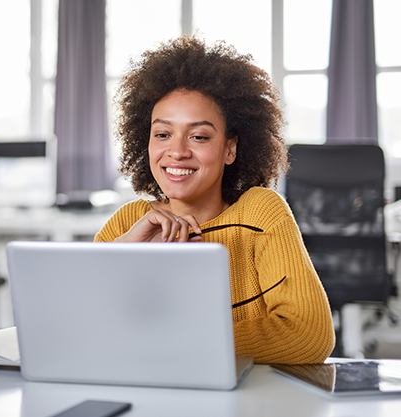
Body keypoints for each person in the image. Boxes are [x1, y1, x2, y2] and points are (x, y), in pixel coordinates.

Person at [95, 36, 335, 364]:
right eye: (162, 134)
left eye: (199, 136)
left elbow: (308, 334)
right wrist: (120, 258)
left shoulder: (261, 214)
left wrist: (173, 341)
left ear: (230, 148)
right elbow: (84, 332)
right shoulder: (128, 223)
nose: (177, 151)